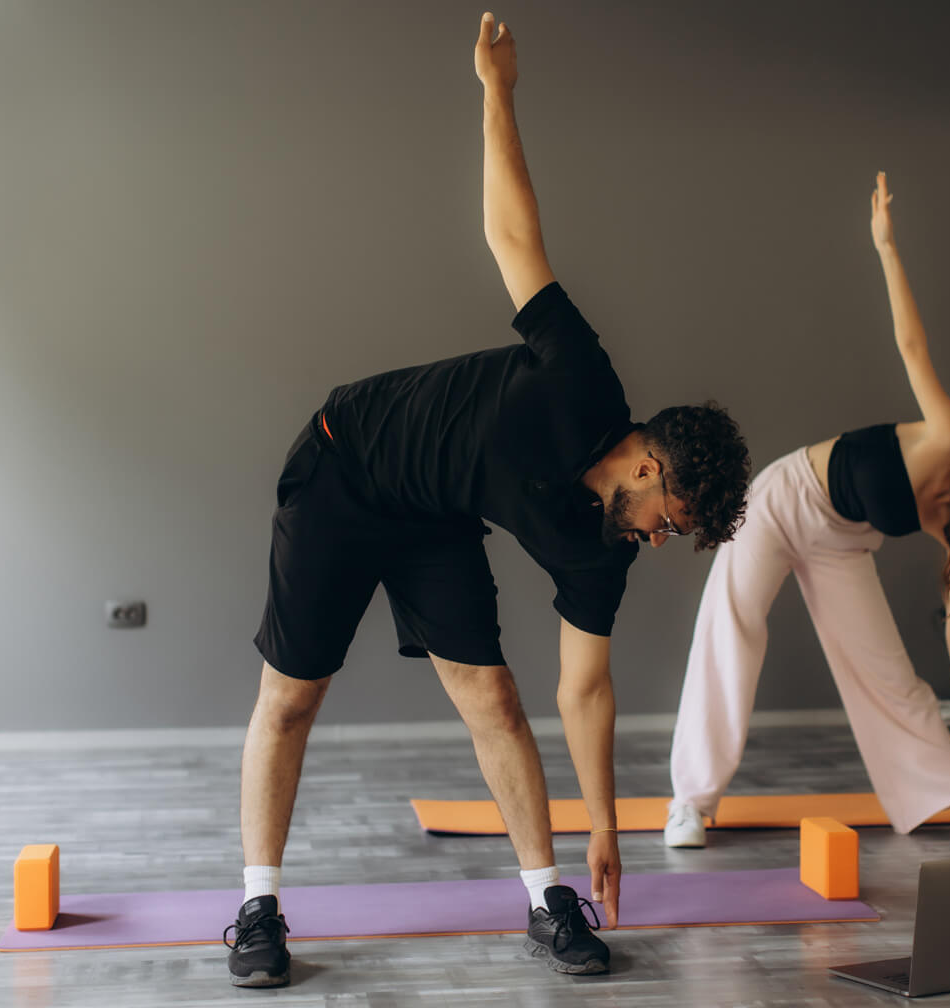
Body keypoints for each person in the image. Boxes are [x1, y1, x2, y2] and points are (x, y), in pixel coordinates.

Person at [222, 12, 752, 988]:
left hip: (433, 518)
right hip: (345, 466)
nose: (659, 540)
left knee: (492, 697)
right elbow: (511, 234)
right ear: (649, 466)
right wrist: (496, 91)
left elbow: (584, 689)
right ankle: (257, 908)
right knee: (290, 697)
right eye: (671, 521)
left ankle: (547, 899)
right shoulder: (581, 381)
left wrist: (605, 824)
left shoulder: (602, 549)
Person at [662, 172, 950, 851]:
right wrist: (886, 248)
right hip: (783, 499)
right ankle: (690, 803)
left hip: (841, 542)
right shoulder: (948, 437)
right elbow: (913, 347)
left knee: (889, 674)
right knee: (729, 631)